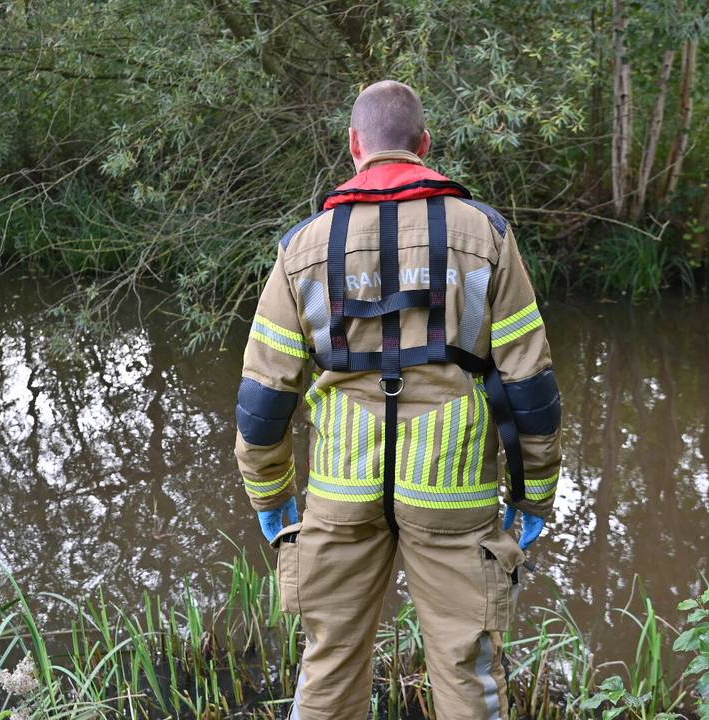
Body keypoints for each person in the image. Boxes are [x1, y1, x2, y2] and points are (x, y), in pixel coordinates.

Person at [233, 80, 562, 720]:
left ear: (354, 145)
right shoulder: (484, 234)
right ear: (425, 145)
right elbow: (532, 386)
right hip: (453, 490)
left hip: (340, 489)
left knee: (327, 667)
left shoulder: (303, 248)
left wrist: (274, 500)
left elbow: (263, 402)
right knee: (468, 669)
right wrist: (534, 497)